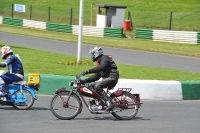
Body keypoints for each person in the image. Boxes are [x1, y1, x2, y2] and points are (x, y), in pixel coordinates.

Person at [80, 46, 119, 111]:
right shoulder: (100, 62)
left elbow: (101, 67)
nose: (92, 56)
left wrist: (88, 71)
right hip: (108, 78)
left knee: (97, 86)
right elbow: (96, 76)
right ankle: (99, 101)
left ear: (96, 53)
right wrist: (84, 81)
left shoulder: (105, 59)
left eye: (93, 54)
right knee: (90, 85)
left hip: (112, 78)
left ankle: (110, 103)